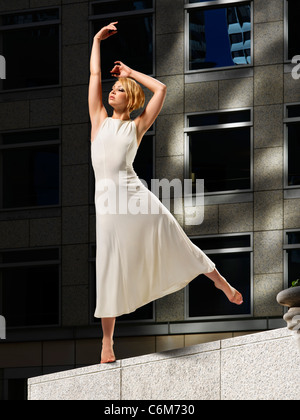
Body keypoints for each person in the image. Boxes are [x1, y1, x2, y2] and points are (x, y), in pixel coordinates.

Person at [88, 22, 243, 364]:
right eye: (113, 88)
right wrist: (97, 41)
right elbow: (95, 73)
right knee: (108, 268)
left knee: (176, 238)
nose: (112, 91)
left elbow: (160, 89)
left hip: (137, 197)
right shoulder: (98, 120)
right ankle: (107, 343)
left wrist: (130, 71)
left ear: (131, 99)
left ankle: (221, 283)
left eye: (120, 89)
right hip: (108, 207)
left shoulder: (136, 126)